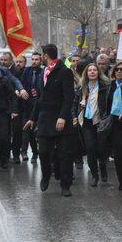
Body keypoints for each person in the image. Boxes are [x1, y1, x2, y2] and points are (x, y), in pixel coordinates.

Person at [24, 44, 76, 197]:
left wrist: (62, 117)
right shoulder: (43, 73)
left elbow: (69, 97)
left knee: (64, 154)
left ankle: (65, 185)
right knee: (44, 152)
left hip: (61, 119)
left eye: (41, 55)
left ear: (45, 56)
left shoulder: (64, 72)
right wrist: (32, 118)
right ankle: (46, 175)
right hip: (44, 119)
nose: (40, 57)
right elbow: (40, 98)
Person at [75, 63, 110, 187]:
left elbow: (108, 104)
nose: (92, 72)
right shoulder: (82, 88)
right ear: (86, 73)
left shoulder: (105, 87)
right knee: (90, 149)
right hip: (86, 122)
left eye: (95, 70)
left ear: (98, 72)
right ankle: (94, 175)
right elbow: (75, 104)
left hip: (100, 122)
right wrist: (75, 115)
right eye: (89, 70)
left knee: (101, 149)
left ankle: (103, 168)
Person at [107, 61, 122, 191]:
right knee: (118, 153)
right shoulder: (110, 86)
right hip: (114, 122)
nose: (119, 71)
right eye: (117, 69)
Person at [20, 52, 42, 163]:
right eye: (33, 59)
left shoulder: (42, 72)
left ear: (40, 60)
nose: (34, 61)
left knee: (34, 132)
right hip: (27, 106)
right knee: (25, 130)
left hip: (38, 107)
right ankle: (24, 152)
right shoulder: (27, 71)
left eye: (37, 59)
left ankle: (35, 153)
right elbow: (22, 84)